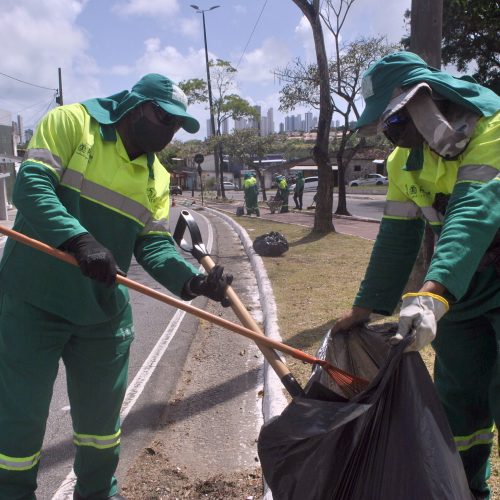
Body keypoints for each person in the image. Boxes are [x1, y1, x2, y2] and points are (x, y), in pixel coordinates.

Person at [0, 73, 234, 500]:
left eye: (177, 125)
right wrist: (78, 239)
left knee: (101, 427)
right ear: (136, 105)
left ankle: (98, 493)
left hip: (101, 311)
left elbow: (153, 244)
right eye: (164, 118)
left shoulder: (157, 177)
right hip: (32, 301)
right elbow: (31, 187)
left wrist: (192, 280)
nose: (169, 131)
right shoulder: (73, 122)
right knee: (19, 419)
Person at [332, 51, 500, 499]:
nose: (391, 137)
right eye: (383, 127)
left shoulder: (492, 128)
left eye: (393, 121)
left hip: (462, 277)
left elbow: (472, 215)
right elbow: (396, 238)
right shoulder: (402, 163)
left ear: (424, 101)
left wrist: (431, 294)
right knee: (458, 404)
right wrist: (365, 307)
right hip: (465, 290)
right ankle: (467, 492)